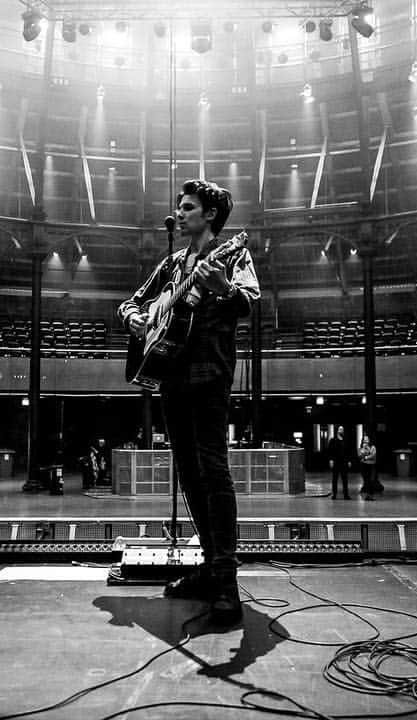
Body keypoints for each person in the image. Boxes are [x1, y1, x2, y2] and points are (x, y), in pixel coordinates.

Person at [118, 178, 259, 626]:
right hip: (171, 376)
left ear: (210, 215)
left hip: (209, 374)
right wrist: (138, 317)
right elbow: (130, 304)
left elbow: (248, 302)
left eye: (187, 207)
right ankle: (209, 565)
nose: (179, 214)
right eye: (179, 208)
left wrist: (222, 288)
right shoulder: (173, 263)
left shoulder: (233, 253)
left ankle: (226, 580)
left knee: (213, 470)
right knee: (190, 475)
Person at [326, 425, 352, 500]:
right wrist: (331, 460)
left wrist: (349, 460)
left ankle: (346, 495)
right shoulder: (333, 440)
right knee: (335, 479)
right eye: (340, 429)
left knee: (345, 479)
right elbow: (330, 451)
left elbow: (349, 451)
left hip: (344, 462)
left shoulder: (346, 440)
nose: (341, 430)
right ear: (337, 430)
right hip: (336, 462)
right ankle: (334, 494)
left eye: (342, 429)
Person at [358, 433, 383, 500]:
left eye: (366, 439)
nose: (365, 441)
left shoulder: (373, 447)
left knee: (371, 480)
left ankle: (371, 495)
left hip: (371, 465)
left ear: (369, 440)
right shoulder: (362, 447)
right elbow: (360, 455)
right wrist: (363, 449)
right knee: (366, 480)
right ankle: (366, 495)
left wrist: (366, 457)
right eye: (364, 439)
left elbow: (373, 455)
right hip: (364, 465)